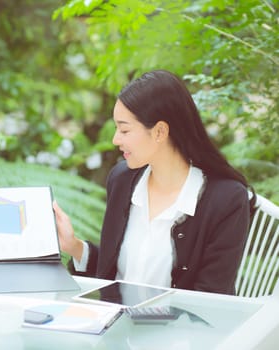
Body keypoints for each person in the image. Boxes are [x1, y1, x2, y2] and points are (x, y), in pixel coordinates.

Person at [54, 69, 255, 295]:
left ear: (160, 131)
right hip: (116, 324)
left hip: (180, 329)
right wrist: (74, 246)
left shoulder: (226, 200)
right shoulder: (122, 179)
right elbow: (118, 271)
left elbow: (211, 298)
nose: (115, 139)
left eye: (124, 129)